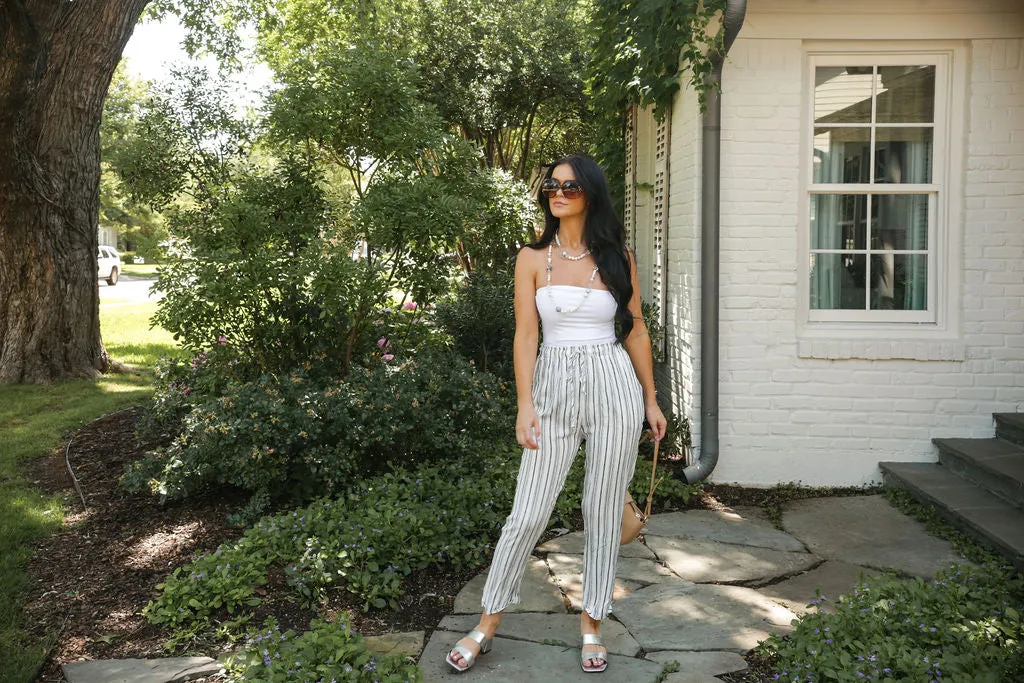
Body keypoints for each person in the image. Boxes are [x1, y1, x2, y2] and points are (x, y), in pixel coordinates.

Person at [446, 154, 668, 674]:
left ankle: (593, 623)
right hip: (551, 386)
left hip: (614, 386)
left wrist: (651, 399)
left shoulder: (618, 257)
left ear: (590, 192)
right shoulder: (531, 257)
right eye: (552, 185)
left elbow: (634, 331)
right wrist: (525, 405)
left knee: (602, 508)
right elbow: (526, 336)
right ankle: (487, 622)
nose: (558, 192)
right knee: (527, 513)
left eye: (570, 185)